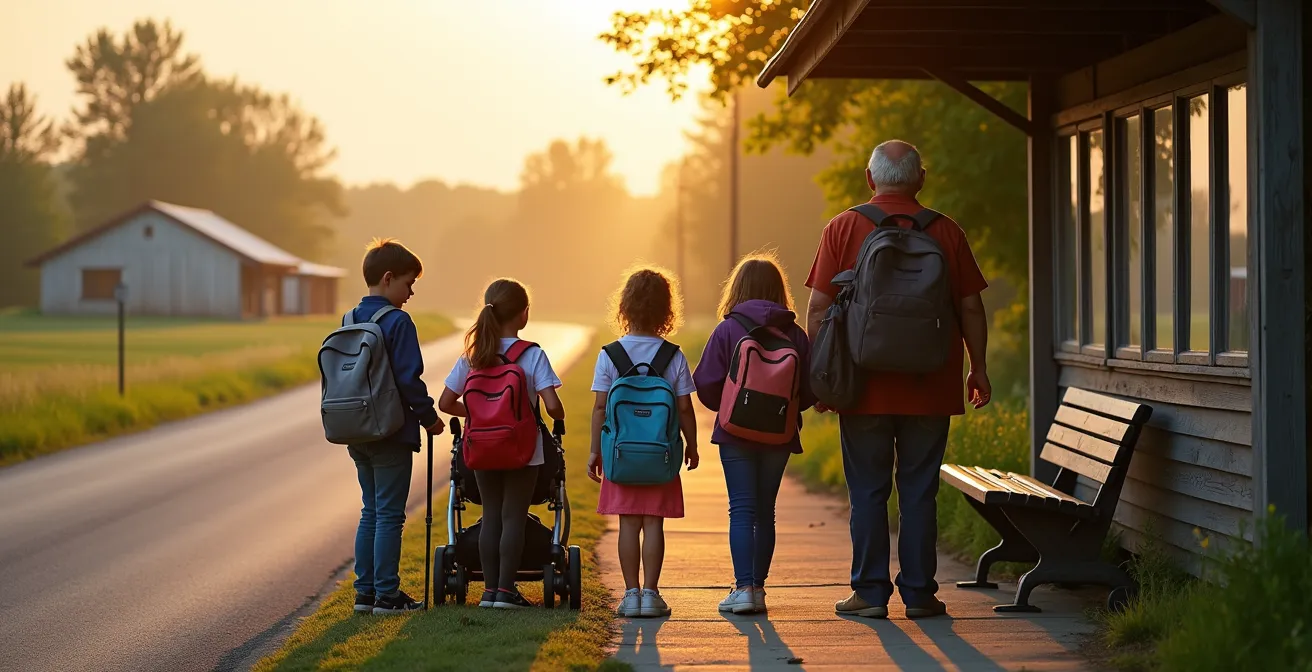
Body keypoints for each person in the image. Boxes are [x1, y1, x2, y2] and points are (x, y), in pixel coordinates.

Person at [805, 140, 991, 619]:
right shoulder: (946, 232)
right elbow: (970, 305)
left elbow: (819, 307)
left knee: (867, 491)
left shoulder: (844, 227)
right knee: (919, 492)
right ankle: (920, 594)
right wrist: (979, 367)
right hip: (930, 385)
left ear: (870, 179)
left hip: (862, 385)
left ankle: (868, 594)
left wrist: (821, 375)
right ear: (921, 179)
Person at [692, 253, 816, 614]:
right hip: (779, 433)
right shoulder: (795, 334)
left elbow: (705, 382)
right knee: (766, 512)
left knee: (742, 509)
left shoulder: (728, 329)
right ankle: (758, 589)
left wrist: (729, 408)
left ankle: (742, 588)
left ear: (738, 288)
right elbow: (808, 389)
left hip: (736, 436)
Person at [438, 278, 565, 609]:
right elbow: (552, 407)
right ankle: (507, 591)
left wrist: (481, 412)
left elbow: (446, 403)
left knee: (491, 515)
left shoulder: (474, 355)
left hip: (482, 446)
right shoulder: (532, 355)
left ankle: (489, 592)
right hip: (523, 450)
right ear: (524, 315)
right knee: (513, 517)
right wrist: (555, 411)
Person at [587, 267, 699, 618]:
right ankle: (651, 593)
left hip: (621, 457)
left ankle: (630, 594)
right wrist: (692, 445)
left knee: (628, 524)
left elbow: (601, 407)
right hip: (660, 457)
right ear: (666, 312)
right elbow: (683, 407)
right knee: (653, 524)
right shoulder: (673, 356)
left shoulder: (610, 355)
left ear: (625, 308)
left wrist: (594, 450)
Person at [347, 238, 444, 616]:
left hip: (356, 429)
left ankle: (365, 593)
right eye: (408, 283)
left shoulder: (348, 319)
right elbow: (409, 379)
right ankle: (387, 595)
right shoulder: (397, 321)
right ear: (388, 279)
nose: (411, 292)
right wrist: (430, 418)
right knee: (389, 514)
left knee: (370, 510)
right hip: (390, 430)